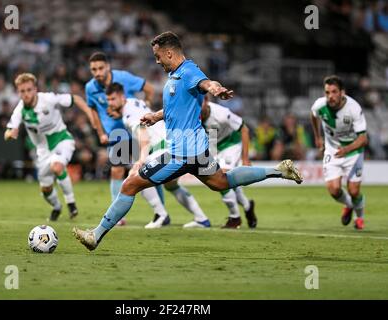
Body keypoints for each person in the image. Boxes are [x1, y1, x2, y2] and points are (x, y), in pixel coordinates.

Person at [73, 31, 303, 251]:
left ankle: (96, 235)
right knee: (222, 182)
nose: (157, 61)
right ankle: (279, 171)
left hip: (180, 153)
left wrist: (216, 88)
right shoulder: (175, 77)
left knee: (129, 185)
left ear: (169, 53)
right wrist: (156, 115)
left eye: (158, 56)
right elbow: (177, 106)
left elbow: (206, 83)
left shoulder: (189, 70)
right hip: (197, 150)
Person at [106, 82, 211, 228]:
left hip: (160, 148)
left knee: (137, 177)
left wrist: (140, 161)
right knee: (171, 185)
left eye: (113, 99)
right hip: (170, 143)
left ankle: (161, 215)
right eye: (108, 100)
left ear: (122, 97)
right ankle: (202, 219)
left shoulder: (129, 115)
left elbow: (144, 136)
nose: (110, 103)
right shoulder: (133, 102)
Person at [4, 73, 97, 221]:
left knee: (57, 167)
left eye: (29, 90)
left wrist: (91, 116)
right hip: (43, 152)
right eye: (22, 91)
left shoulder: (48, 99)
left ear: (35, 89)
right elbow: (8, 131)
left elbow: (76, 99)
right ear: (18, 92)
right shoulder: (19, 110)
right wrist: (11, 133)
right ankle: (56, 207)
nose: (26, 94)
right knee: (46, 189)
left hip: (62, 140)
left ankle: (71, 204)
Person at [85, 51, 159, 226]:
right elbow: (93, 110)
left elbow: (149, 88)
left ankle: (160, 212)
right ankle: (118, 214)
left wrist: (145, 109)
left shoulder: (123, 77)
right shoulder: (90, 88)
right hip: (117, 134)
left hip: (137, 130)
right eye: (93, 69)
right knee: (117, 170)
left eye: (100, 68)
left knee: (150, 170)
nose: (97, 73)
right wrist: (100, 132)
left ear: (108, 67)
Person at [310, 75, 368, 230]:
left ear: (342, 92)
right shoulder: (319, 105)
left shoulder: (354, 108)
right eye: (327, 92)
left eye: (334, 92)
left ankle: (359, 217)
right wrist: (317, 137)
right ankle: (349, 205)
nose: (330, 96)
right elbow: (313, 115)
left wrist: (347, 149)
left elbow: (363, 139)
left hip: (353, 152)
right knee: (334, 189)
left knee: (354, 190)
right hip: (332, 150)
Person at [201, 95, 257, 229]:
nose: (196, 105)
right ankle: (248, 206)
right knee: (229, 182)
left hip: (230, 145)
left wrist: (245, 159)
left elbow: (244, 129)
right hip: (213, 147)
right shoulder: (192, 113)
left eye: (200, 102)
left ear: (207, 101)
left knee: (220, 179)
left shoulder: (222, 114)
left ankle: (235, 218)